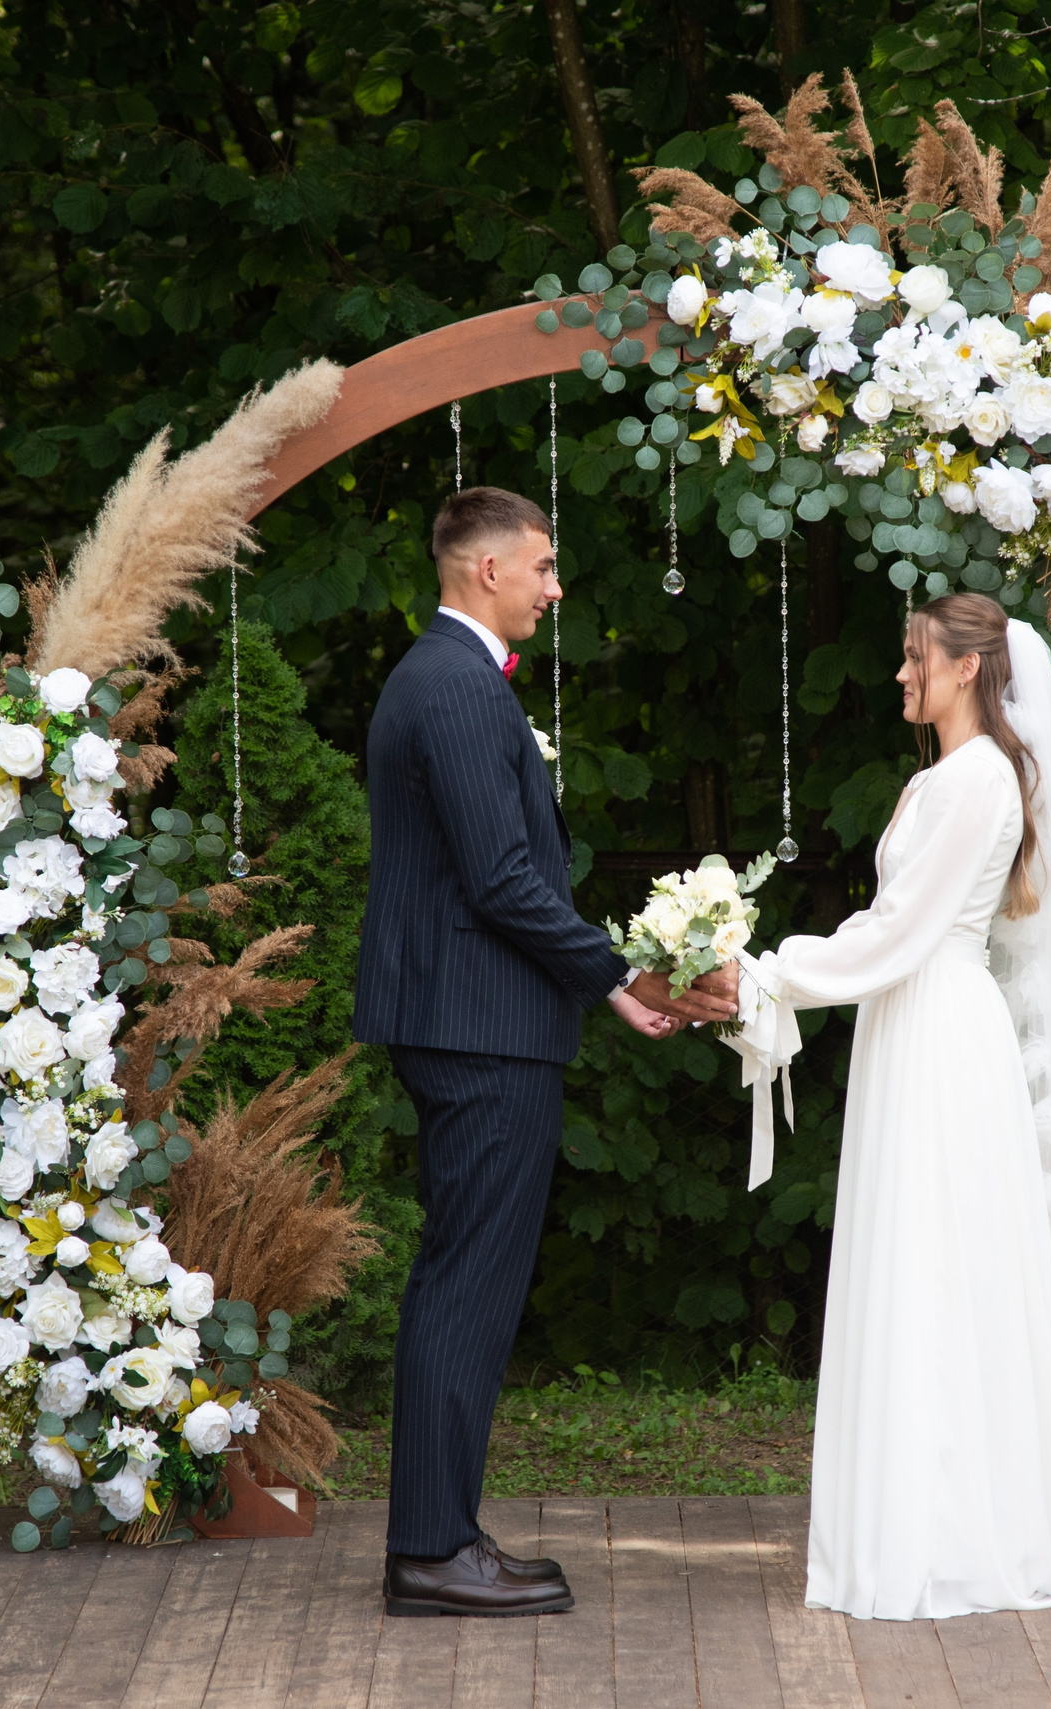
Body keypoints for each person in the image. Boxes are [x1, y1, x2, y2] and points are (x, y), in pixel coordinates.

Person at [353, 485, 737, 1617]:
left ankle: (442, 1533)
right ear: (485, 571)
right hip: (478, 1028)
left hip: (470, 1019)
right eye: (543, 566)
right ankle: (429, 1549)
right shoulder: (458, 687)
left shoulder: (446, 676)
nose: (555, 586)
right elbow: (505, 880)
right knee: (466, 1284)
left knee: (461, 1278)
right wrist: (622, 977)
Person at [748, 591, 1051, 1620]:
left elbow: (895, 933)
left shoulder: (975, 782)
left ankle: (946, 1529)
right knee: (915, 1256)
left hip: (937, 1026)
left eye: (914, 655)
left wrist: (763, 972)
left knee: (937, 1261)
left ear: (967, 666)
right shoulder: (948, 778)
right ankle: (917, 1511)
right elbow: (889, 926)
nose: (900, 672)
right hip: (911, 1022)